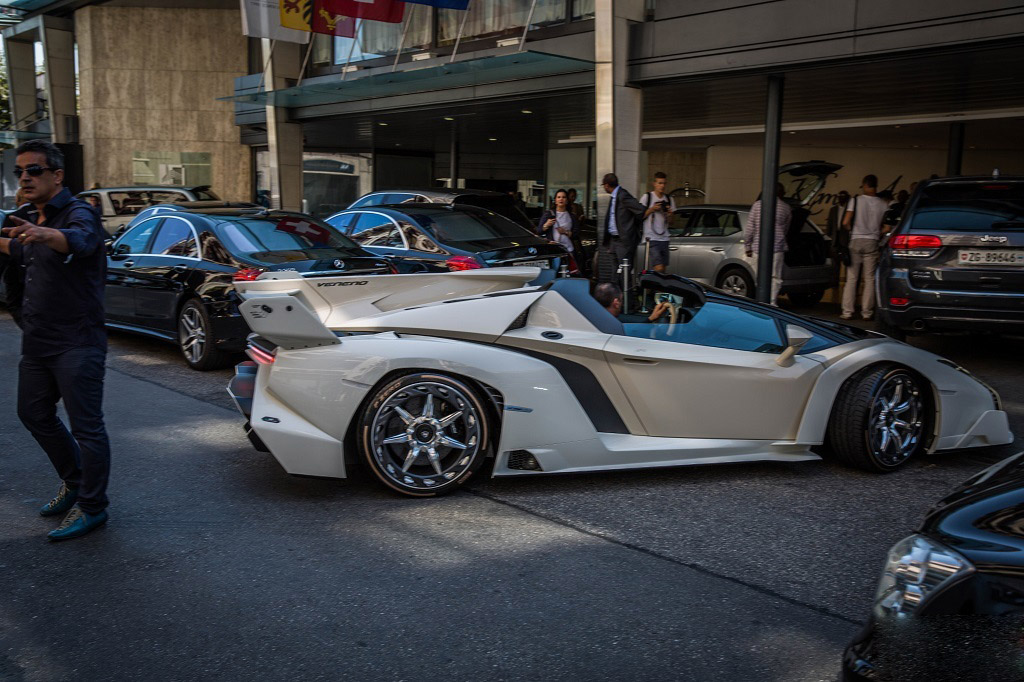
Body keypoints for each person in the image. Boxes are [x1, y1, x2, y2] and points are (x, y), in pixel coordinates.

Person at [0, 139, 111, 541]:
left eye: (34, 170)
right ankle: (75, 480)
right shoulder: (27, 216)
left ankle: (94, 508)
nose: (25, 178)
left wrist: (44, 233)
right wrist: (24, 235)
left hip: (77, 341)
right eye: (20, 172)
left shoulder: (80, 213)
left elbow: (79, 242)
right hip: (39, 340)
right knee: (33, 414)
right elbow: (18, 249)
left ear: (57, 175)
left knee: (88, 428)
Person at [841, 174, 889, 320]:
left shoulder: (855, 201)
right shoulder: (883, 204)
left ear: (865, 184)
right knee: (869, 279)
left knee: (852, 278)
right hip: (872, 241)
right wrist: (876, 233)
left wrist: (852, 230)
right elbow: (887, 228)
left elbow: (845, 222)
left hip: (856, 240)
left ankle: (847, 312)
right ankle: (866, 312)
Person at [743, 182, 791, 306]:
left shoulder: (757, 206)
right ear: (781, 193)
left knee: (760, 277)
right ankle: (772, 302)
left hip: (759, 247)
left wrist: (747, 246)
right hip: (778, 247)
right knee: (775, 277)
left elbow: (750, 229)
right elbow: (786, 229)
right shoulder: (786, 207)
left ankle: (761, 301)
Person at [598, 172, 645, 284]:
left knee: (624, 273)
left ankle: (626, 300)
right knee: (615, 272)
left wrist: (631, 229)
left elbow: (640, 209)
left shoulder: (623, 195)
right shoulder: (615, 196)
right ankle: (616, 298)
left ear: (606, 185)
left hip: (623, 241)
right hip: (613, 241)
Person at [639, 172, 676, 273]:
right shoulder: (647, 197)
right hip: (651, 238)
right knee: (658, 268)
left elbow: (672, 222)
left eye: (664, 183)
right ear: (654, 184)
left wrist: (669, 214)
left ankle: (655, 288)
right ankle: (654, 287)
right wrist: (652, 209)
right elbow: (640, 216)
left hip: (665, 238)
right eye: (660, 183)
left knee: (662, 269)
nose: (662, 186)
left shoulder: (669, 199)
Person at [593, 282, 669, 323]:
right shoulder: (614, 327)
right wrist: (651, 319)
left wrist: (650, 318)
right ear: (616, 303)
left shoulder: (592, 320)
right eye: (621, 300)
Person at [537, 189, 578, 256]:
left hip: (569, 249)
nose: (561, 199)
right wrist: (546, 225)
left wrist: (565, 232)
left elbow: (576, 233)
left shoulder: (571, 216)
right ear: (555, 201)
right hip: (553, 249)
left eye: (563, 197)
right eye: (558, 197)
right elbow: (539, 231)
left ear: (567, 201)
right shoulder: (549, 214)